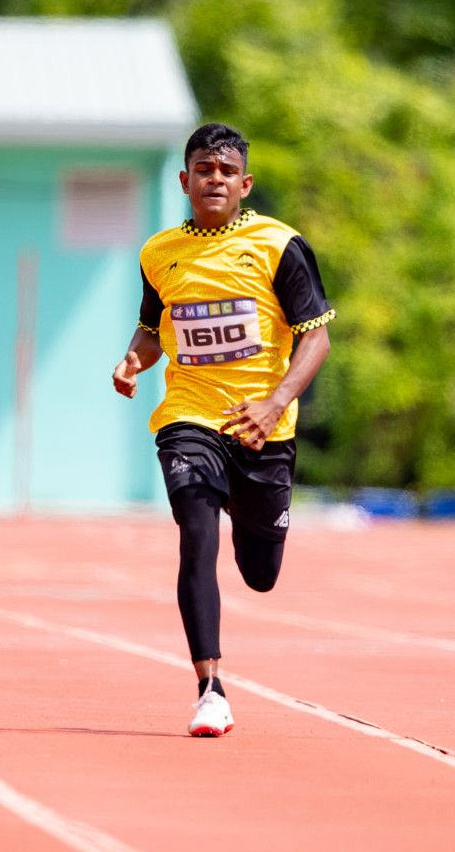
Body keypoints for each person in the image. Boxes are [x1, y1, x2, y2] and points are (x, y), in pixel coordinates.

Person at [112, 123, 333, 737]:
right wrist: (135, 357)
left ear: (245, 183)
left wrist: (275, 401)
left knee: (260, 573)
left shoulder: (278, 245)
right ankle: (210, 688)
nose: (215, 179)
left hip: (264, 429)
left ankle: (247, 504)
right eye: (203, 170)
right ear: (184, 181)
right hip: (189, 417)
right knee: (195, 532)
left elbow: (317, 338)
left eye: (226, 171)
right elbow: (154, 328)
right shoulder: (159, 252)